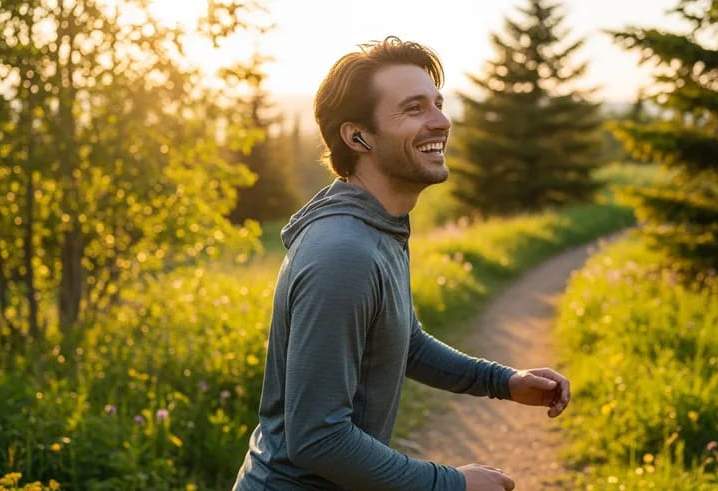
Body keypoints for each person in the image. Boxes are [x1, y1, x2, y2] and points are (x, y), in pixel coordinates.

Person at [233, 36, 570, 491]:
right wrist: (453, 484)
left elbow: (402, 341)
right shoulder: (343, 253)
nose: (441, 121)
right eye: (414, 109)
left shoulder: (379, 228)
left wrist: (505, 381)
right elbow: (317, 437)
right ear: (358, 136)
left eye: (438, 103)